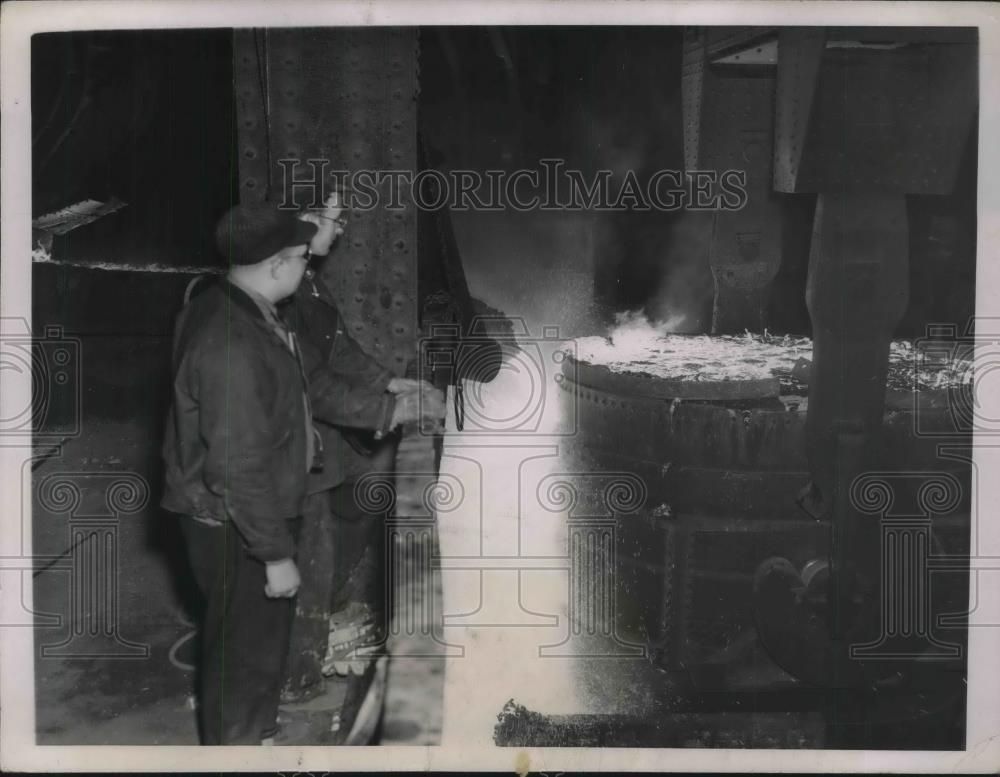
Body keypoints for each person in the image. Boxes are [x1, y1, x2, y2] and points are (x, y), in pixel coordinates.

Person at [277, 195, 446, 739]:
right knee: (313, 552)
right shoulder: (282, 290)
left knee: (349, 512)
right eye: (333, 219)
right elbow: (312, 381)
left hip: (314, 441)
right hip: (285, 445)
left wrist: (390, 383)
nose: (342, 227)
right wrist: (388, 409)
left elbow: (342, 351)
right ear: (304, 225)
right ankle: (296, 680)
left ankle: (329, 620)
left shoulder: (308, 280)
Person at [160, 202, 320, 745]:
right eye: (302, 259)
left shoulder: (230, 305)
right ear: (277, 264)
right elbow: (235, 464)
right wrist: (274, 555)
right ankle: (241, 750)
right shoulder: (232, 341)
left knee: (248, 647)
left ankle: (254, 739)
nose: (307, 268)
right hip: (235, 523)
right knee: (243, 657)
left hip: (235, 514)